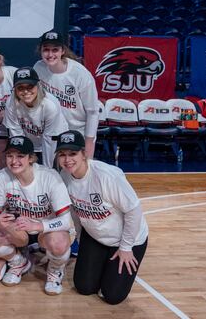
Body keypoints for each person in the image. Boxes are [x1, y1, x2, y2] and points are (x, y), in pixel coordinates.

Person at [56, 130, 149, 304]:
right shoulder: (64, 176)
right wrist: (81, 238)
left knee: (112, 296)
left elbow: (134, 210)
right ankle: (103, 261)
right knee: (84, 287)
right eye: (62, 154)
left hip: (128, 239)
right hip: (96, 237)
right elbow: (75, 212)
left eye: (73, 153)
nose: (67, 160)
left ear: (84, 154)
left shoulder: (107, 176)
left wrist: (126, 247)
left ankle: (113, 265)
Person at [0, 136, 74, 295]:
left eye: (20, 156)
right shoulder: (1, 177)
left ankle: (55, 270)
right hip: (19, 231)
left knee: (59, 243)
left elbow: (65, 220)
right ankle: (18, 262)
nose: (14, 161)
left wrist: (38, 225)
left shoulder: (49, 177)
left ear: (31, 158)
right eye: (10, 155)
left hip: (47, 231)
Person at [34, 31, 99, 158]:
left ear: (62, 51)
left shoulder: (80, 73)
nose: (50, 54)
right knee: (53, 175)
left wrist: (89, 143)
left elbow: (93, 112)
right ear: (40, 51)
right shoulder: (38, 68)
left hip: (77, 133)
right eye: (46, 50)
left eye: (55, 50)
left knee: (76, 175)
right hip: (52, 132)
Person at [3, 67, 68, 168]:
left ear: (38, 86)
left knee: (52, 172)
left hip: (53, 141)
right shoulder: (11, 104)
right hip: (31, 141)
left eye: (30, 86)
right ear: (15, 90)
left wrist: (48, 170)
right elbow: (17, 137)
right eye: (20, 88)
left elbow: (49, 140)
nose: (25, 91)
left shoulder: (49, 105)